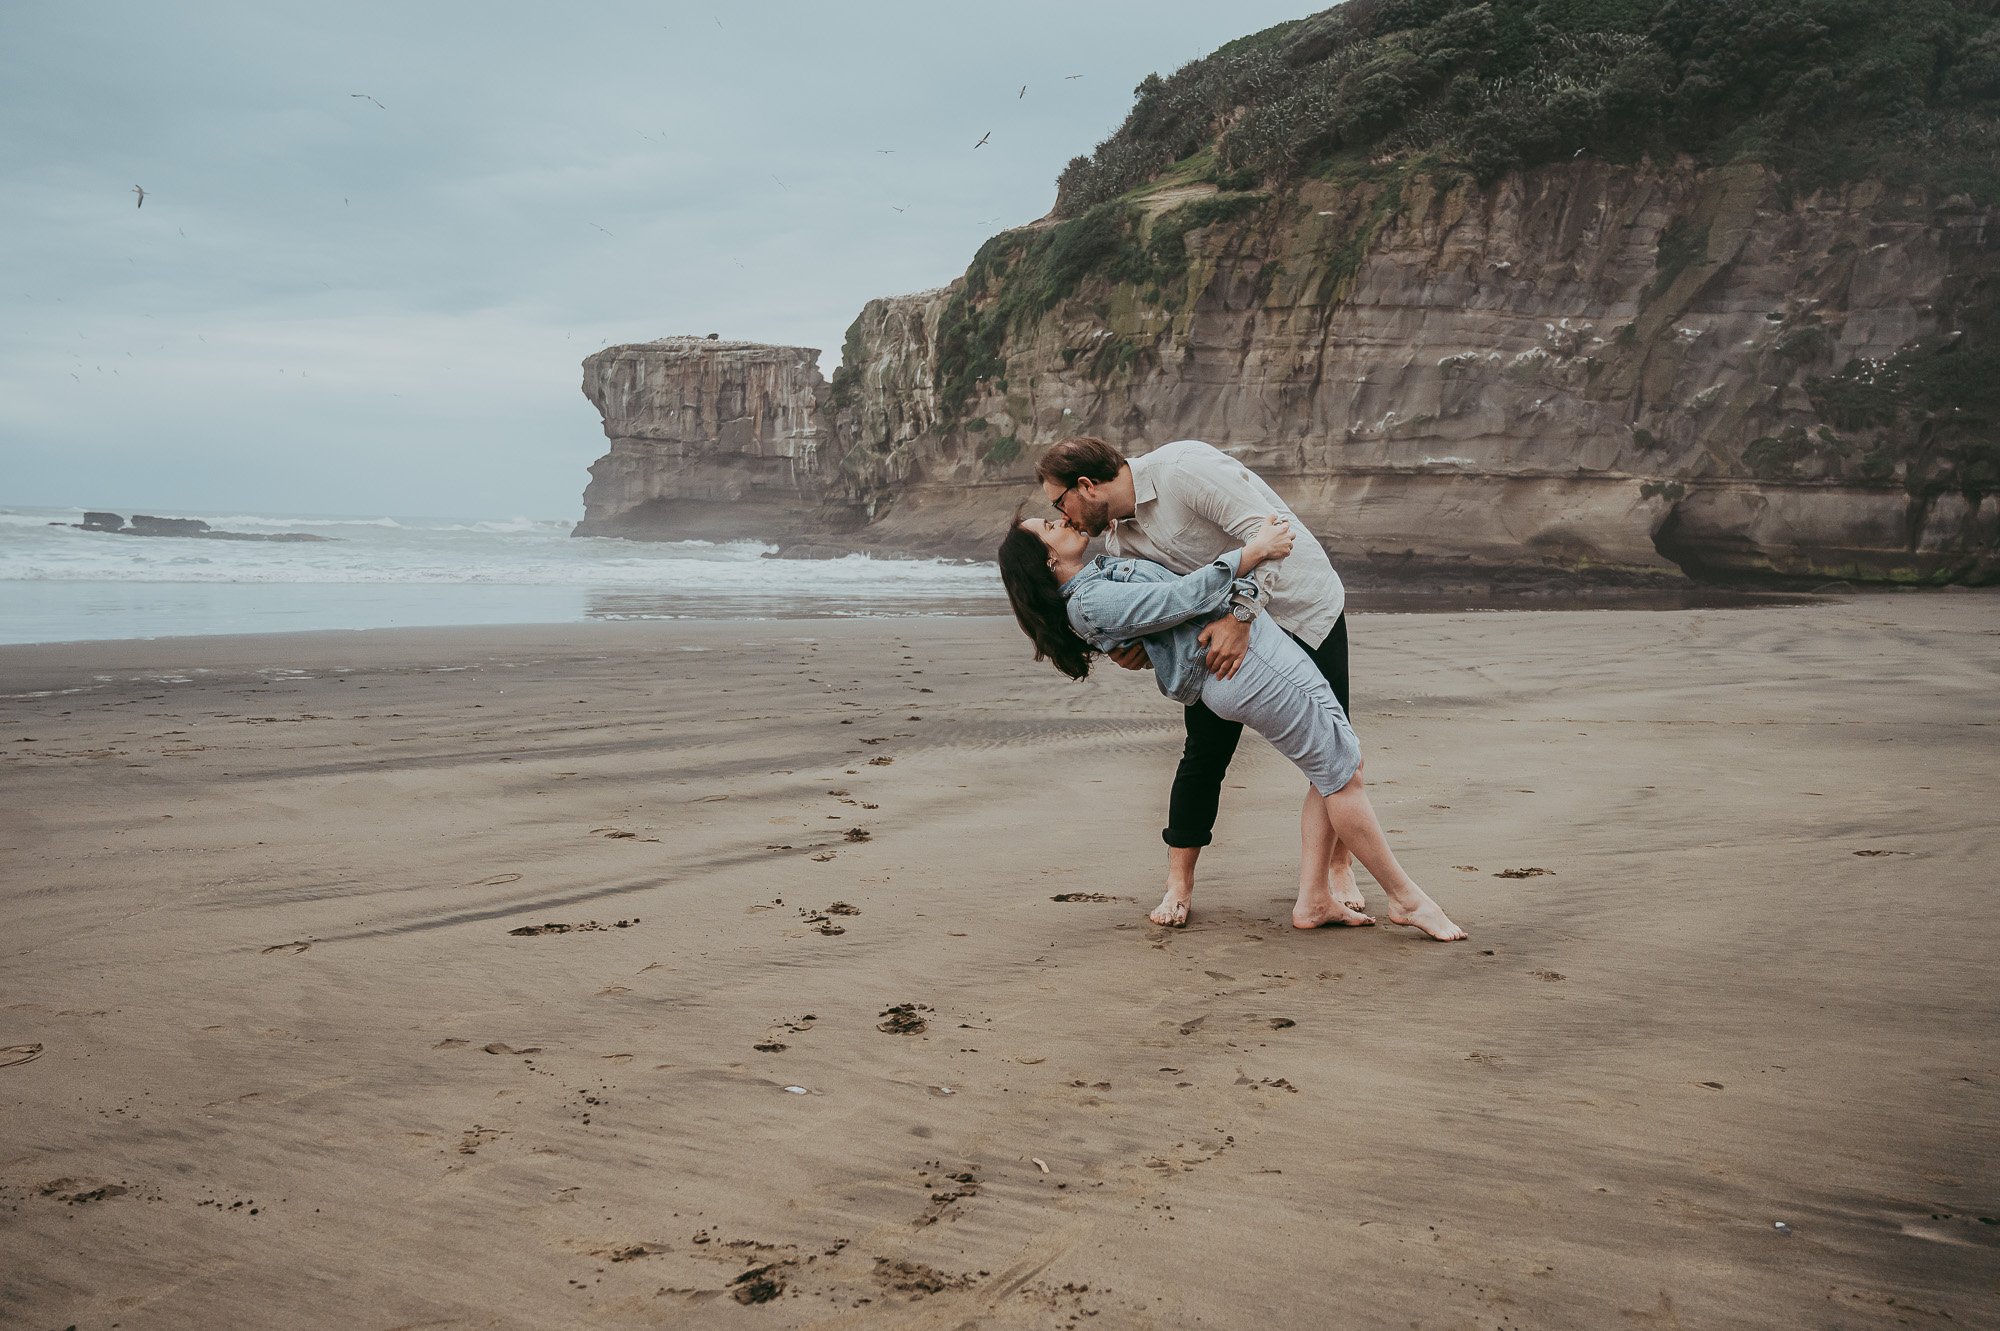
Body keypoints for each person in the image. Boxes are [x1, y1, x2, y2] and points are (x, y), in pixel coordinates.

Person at [997, 511, 1465, 942]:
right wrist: (1251, 552)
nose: (1062, 519)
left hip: (1246, 662)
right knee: (1343, 773)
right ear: (1048, 557)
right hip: (1248, 666)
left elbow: (1156, 621)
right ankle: (1405, 898)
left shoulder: (1098, 580)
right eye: (1049, 525)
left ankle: (1315, 899)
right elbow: (1177, 598)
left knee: (1339, 767)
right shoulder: (1090, 602)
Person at [1037, 436, 1358, 929]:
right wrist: (1135, 651)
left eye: (1060, 502)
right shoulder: (1119, 541)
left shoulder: (1182, 470)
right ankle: (1178, 885)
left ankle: (1338, 869)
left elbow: (1267, 529)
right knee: (1204, 754)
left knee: (1334, 745)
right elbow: (1166, 607)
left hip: (1301, 607)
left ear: (1086, 486)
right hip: (1221, 642)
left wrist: (1241, 616)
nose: (1063, 515)